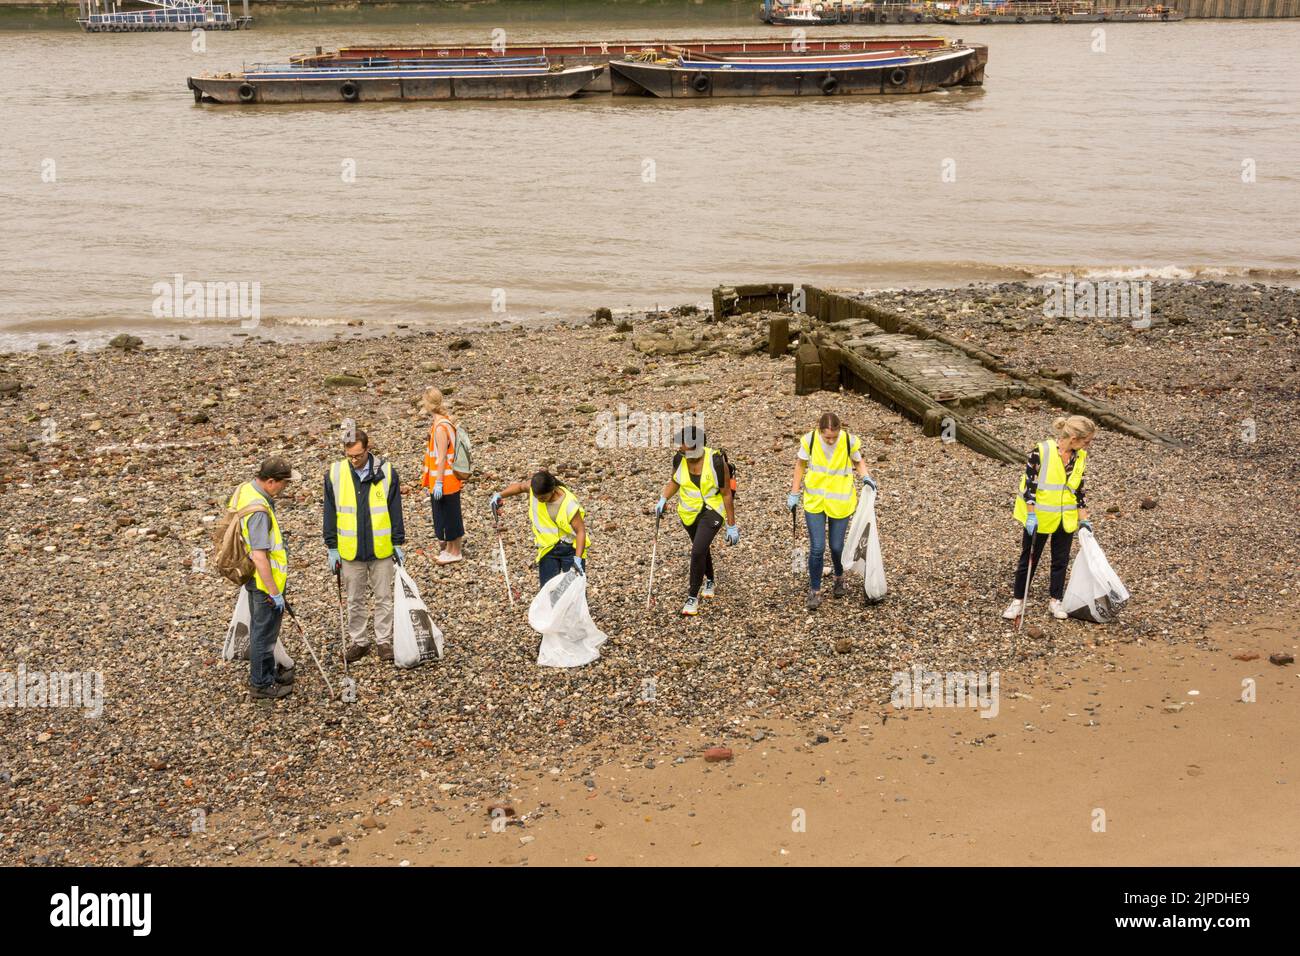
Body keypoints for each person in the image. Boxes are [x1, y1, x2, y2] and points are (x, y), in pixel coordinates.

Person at [1003, 415, 1096, 622]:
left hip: (1066, 517)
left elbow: (1078, 489)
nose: (1088, 445)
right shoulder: (1042, 451)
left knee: (1060, 560)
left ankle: (1056, 600)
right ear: (1073, 437)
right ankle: (1018, 601)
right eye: (1086, 441)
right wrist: (1031, 515)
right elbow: (1030, 486)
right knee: (1029, 559)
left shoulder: (1080, 456)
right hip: (1040, 517)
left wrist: (1084, 519)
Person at [324, 429, 405, 663]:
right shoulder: (335, 473)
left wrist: (397, 541)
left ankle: (383, 641)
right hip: (350, 551)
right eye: (349, 456)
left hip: (381, 550)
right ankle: (359, 641)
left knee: (383, 597)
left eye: (358, 456)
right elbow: (329, 512)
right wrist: (331, 546)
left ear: (367, 450)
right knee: (354, 599)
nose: (353, 460)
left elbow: (395, 509)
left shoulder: (387, 472)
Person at [228, 457, 301, 700]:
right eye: (283, 484)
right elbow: (260, 556)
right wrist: (274, 591)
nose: (285, 489)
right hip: (263, 583)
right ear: (270, 481)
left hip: (255, 579)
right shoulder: (259, 511)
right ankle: (261, 684)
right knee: (264, 633)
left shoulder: (246, 490)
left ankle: (268, 671)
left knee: (263, 630)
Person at [788, 412, 876, 610]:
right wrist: (794, 492)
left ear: (839, 431)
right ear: (820, 431)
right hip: (815, 501)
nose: (831, 440)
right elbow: (800, 465)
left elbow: (858, 461)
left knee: (836, 546)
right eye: (827, 437)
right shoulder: (809, 440)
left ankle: (838, 576)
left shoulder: (847, 441)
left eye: (834, 436)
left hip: (840, 501)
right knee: (817, 547)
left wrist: (866, 478)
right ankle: (815, 590)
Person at [655, 426, 737, 617]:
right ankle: (710, 579)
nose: (680, 451)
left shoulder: (716, 461)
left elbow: (726, 494)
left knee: (698, 549)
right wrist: (663, 498)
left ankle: (692, 597)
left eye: (684, 448)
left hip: (713, 510)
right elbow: (675, 481)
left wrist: (731, 525)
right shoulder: (680, 459)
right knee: (701, 547)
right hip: (689, 512)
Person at [489, 469, 590, 586]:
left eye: (542, 498)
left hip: (570, 550)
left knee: (573, 589)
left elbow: (580, 531)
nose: (538, 500)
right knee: (547, 590)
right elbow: (521, 487)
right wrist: (500, 495)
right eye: (536, 497)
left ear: (552, 490)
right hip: (547, 549)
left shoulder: (568, 502)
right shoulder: (535, 489)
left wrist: (577, 559)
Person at [420, 387, 465, 565]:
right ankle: (450, 549)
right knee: (450, 513)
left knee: (448, 515)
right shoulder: (444, 422)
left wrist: (438, 482)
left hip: (445, 481)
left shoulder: (440, 427)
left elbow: (441, 458)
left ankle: (454, 551)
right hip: (448, 480)